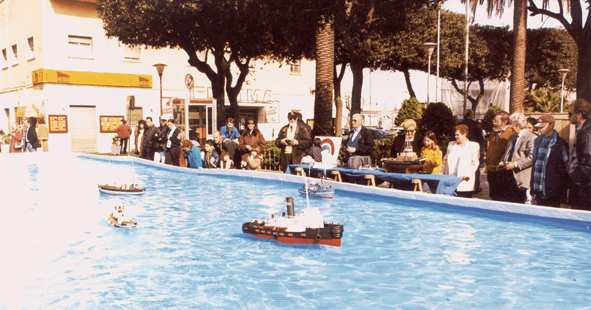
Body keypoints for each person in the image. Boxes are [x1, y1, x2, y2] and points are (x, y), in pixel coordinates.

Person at [530, 114, 570, 207]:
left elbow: (565, 170)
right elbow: (535, 165)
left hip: (553, 192)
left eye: (542, 127)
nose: (539, 129)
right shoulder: (537, 141)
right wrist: (532, 187)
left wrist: (563, 196)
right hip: (538, 189)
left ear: (551, 125)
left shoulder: (560, 144)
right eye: (538, 127)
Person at [499, 112, 536, 204]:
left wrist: (515, 164)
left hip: (521, 179)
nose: (510, 126)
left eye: (511, 123)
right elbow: (507, 153)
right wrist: (503, 161)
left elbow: (532, 157)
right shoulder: (512, 137)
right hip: (508, 177)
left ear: (516, 124)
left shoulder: (531, 138)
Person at [485, 111, 516, 202]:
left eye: (496, 121)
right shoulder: (493, 133)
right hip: (491, 170)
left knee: (503, 198)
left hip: (502, 172)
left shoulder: (511, 134)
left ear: (505, 121)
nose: (493, 122)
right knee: (493, 196)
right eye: (493, 120)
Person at [444, 124, 480, 198]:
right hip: (451, 179)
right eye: (455, 135)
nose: (455, 137)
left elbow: (475, 163)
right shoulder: (451, 145)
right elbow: (445, 159)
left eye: (458, 135)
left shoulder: (473, 146)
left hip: (465, 181)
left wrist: (467, 175)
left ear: (465, 134)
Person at [568, 99, 591, 210]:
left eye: (570, 113)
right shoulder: (582, 130)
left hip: (585, 187)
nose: (568, 116)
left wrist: (577, 179)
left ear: (579, 114)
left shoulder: (587, 132)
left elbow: (588, 159)